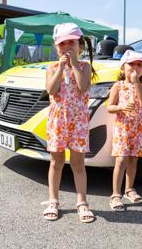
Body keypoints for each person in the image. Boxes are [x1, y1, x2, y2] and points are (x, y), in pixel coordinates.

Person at [43, 22, 97, 223]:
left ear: (80, 46)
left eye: (71, 43)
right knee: (56, 162)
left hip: (79, 123)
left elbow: (83, 87)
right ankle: (53, 201)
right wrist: (61, 68)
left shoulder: (85, 67)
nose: (67, 47)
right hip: (58, 121)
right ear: (57, 47)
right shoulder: (52, 67)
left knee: (78, 164)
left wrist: (73, 64)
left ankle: (82, 202)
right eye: (62, 43)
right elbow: (51, 89)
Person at [107, 50, 142, 211]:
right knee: (121, 160)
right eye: (131, 64)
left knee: (134, 160)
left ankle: (129, 189)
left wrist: (137, 83)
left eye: (139, 65)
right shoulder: (118, 86)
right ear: (122, 68)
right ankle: (115, 194)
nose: (135, 67)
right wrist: (121, 107)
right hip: (123, 128)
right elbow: (109, 107)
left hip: (139, 128)